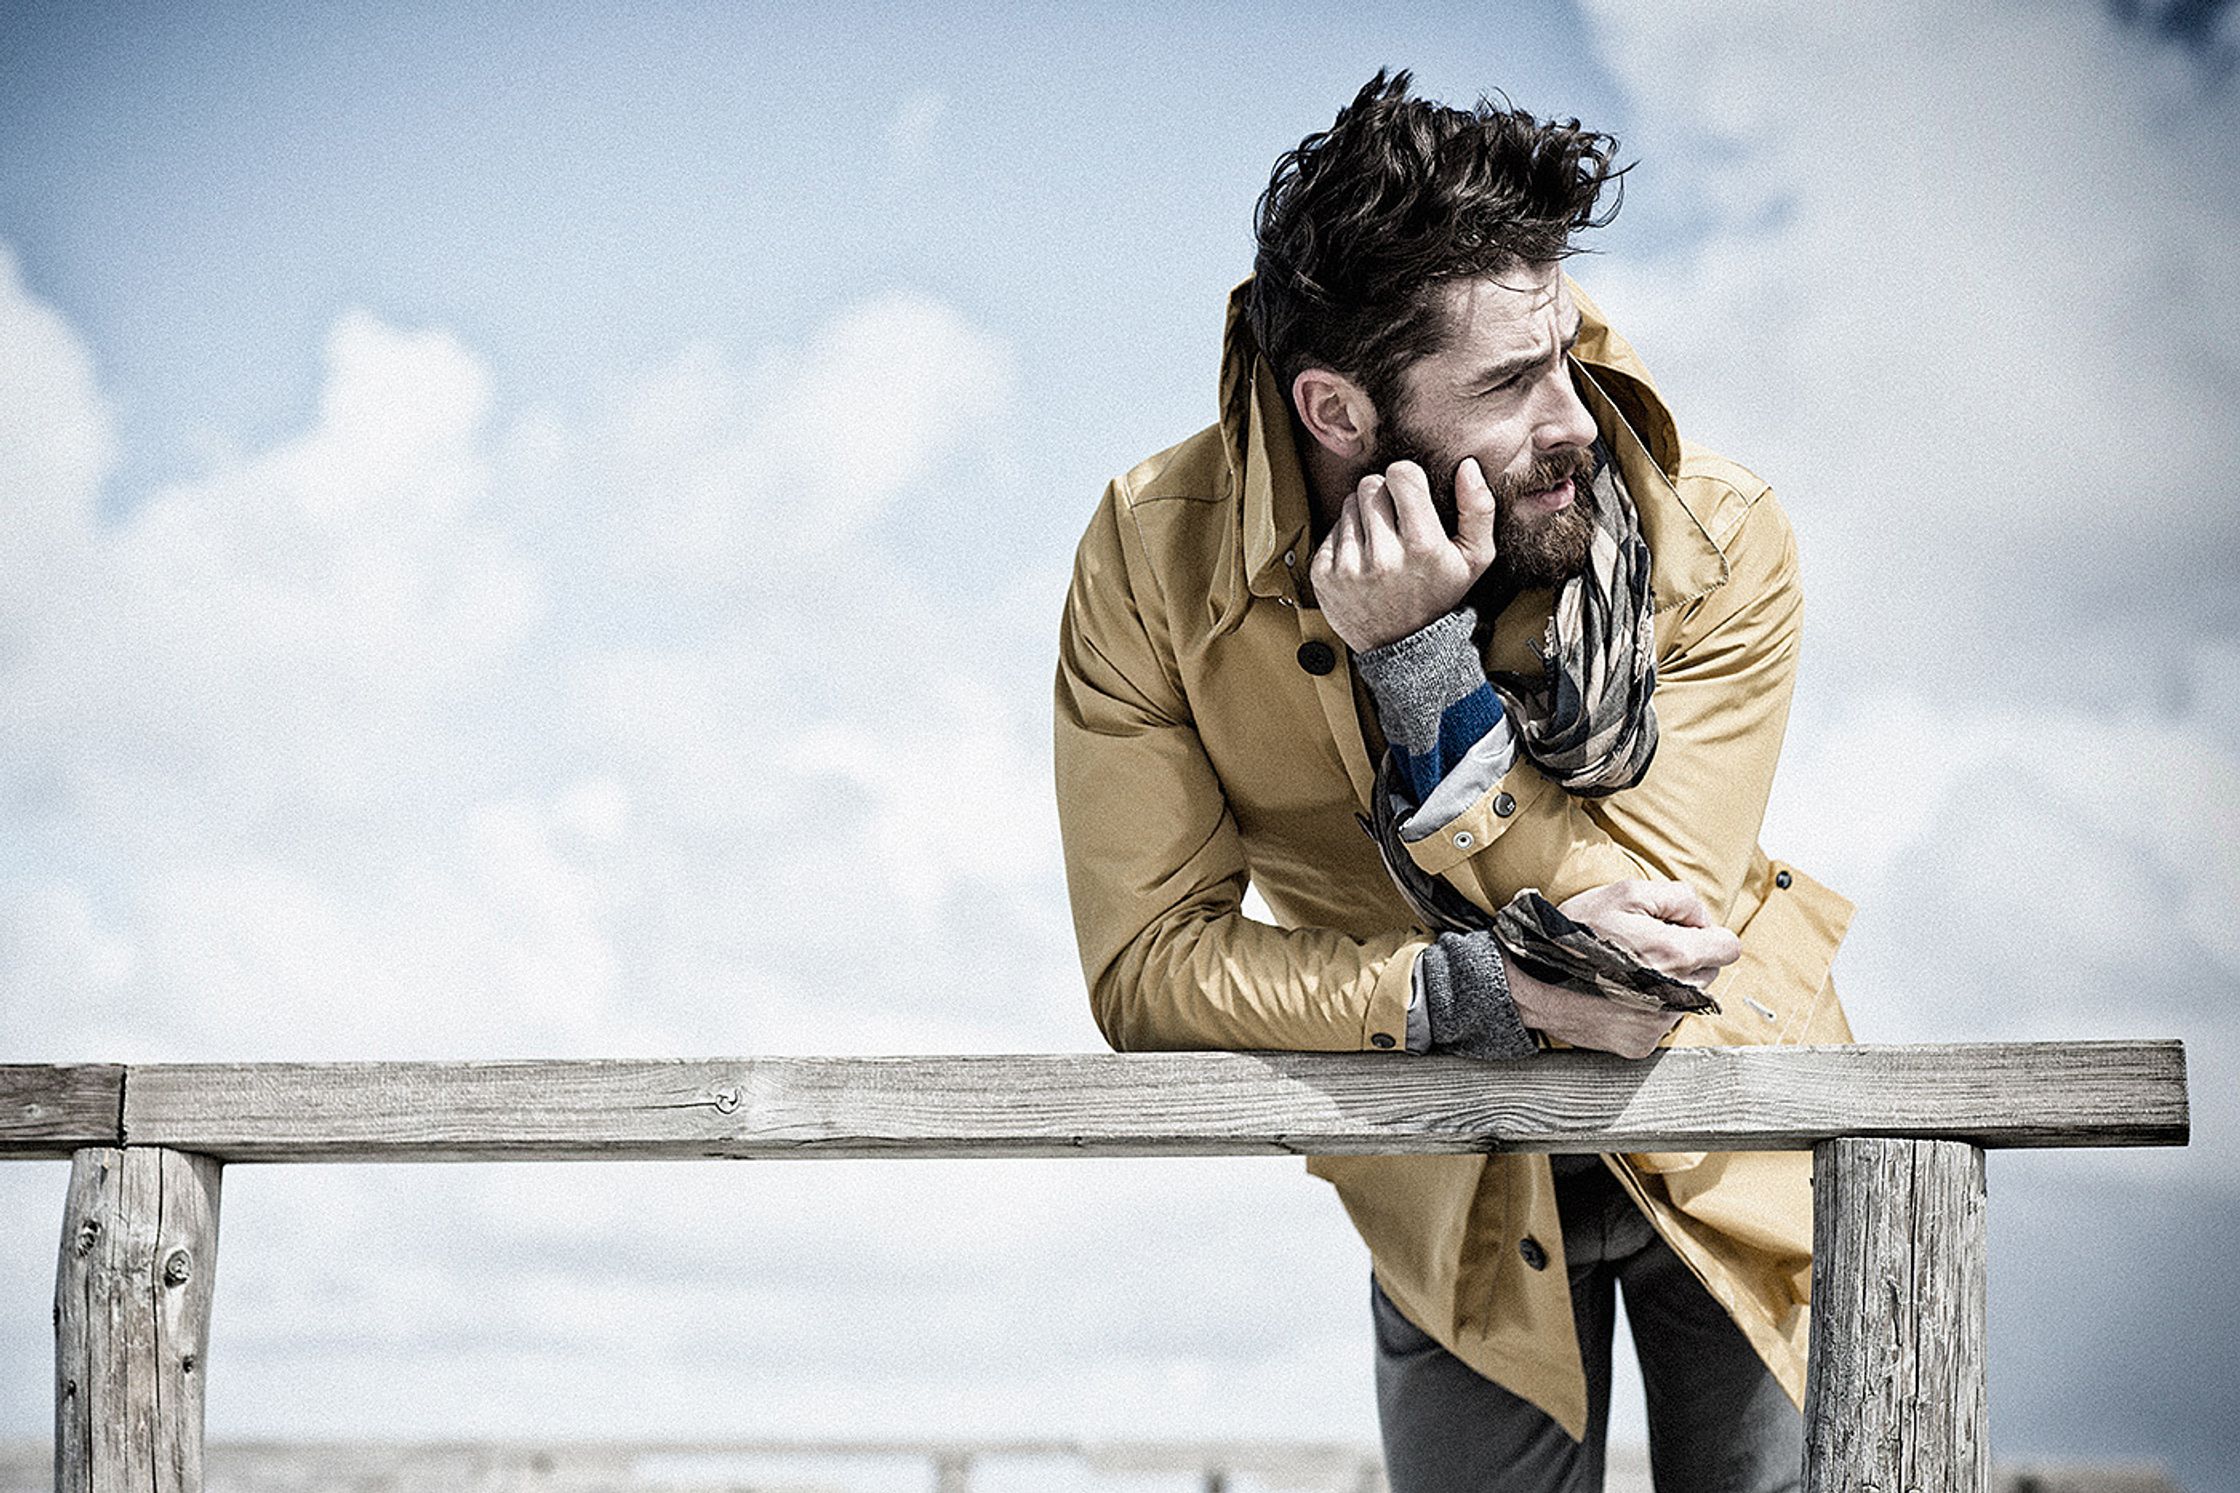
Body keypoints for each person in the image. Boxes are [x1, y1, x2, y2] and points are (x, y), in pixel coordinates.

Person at [1053, 70, 1856, 1493]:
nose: (1574, 419)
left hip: (1731, 1134)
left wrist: (1418, 669)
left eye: (1563, 351)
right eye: (1505, 384)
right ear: (1336, 409)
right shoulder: (1149, 564)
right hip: (1443, 1184)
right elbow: (1147, 969)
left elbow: (1642, 945)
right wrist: (1458, 996)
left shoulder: (1712, 535)